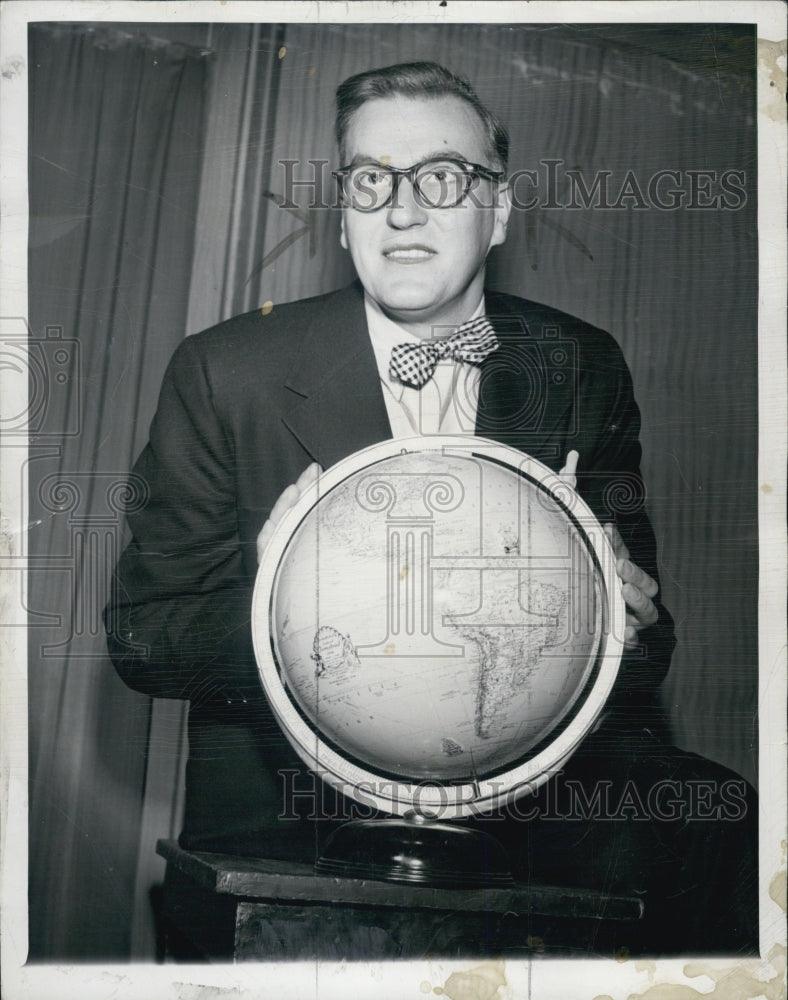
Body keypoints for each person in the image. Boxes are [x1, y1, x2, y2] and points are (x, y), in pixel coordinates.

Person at [105, 62, 756, 955]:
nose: (401, 210)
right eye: (371, 179)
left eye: (443, 177)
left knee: (723, 832)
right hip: (296, 824)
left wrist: (618, 617)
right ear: (342, 211)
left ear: (500, 209)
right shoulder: (228, 370)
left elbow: (653, 643)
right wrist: (283, 593)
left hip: (531, 815)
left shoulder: (580, 364)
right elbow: (143, 636)